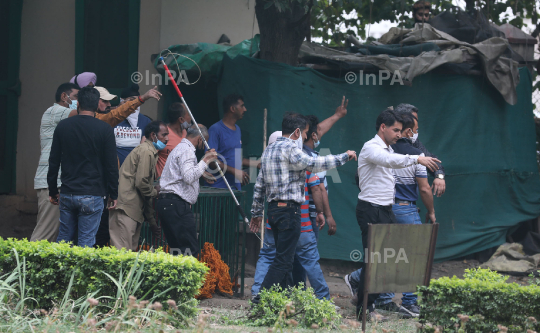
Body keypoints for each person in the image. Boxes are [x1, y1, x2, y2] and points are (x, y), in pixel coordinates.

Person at [343, 109, 440, 321]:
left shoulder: (388, 148)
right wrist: (417, 159)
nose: (399, 134)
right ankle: (365, 311)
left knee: (389, 260)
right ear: (383, 127)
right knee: (375, 261)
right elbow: (390, 161)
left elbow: (393, 159)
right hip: (371, 209)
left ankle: (363, 293)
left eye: (400, 130)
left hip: (385, 210)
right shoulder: (371, 147)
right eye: (396, 130)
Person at [249, 113, 357, 303]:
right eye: (305, 133)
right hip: (289, 211)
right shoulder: (291, 149)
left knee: (281, 258)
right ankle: (261, 299)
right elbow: (315, 164)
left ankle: (280, 300)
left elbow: (259, 185)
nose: (306, 137)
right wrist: (344, 157)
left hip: (273, 211)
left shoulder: (269, 150)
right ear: (297, 132)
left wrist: (257, 213)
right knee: (283, 261)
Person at [251, 131, 332, 303]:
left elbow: (259, 189)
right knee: (309, 260)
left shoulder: (269, 163)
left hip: (273, 222)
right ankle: (323, 298)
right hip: (299, 222)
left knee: (268, 256)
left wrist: (256, 214)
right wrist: (320, 212)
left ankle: (258, 291)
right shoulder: (301, 162)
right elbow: (317, 188)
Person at [47, 86, 119, 247]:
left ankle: (59, 271)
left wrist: (52, 190)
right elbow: (111, 165)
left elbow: (53, 161)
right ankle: (79, 273)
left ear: (78, 104)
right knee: (86, 242)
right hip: (92, 193)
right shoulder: (105, 129)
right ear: (96, 106)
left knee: (64, 239)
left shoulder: (63, 126)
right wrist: (113, 193)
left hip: (67, 191)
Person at [157, 124, 218, 257]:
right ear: (200, 139)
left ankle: (177, 277)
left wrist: (202, 173)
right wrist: (206, 160)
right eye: (205, 141)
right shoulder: (187, 150)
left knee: (177, 251)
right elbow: (189, 177)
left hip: (168, 204)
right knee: (190, 250)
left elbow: (181, 173)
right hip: (177, 205)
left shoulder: (179, 148)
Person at [31, 83, 80, 242]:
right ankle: (25, 266)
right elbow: (82, 114)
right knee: (45, 233)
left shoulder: (61, 114)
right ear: (64, 97)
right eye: (76, 97)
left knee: (56, 235)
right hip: (52, 181)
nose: (78, 101)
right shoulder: (55, 111)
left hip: (57, 180)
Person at [109, 121, 167, 251]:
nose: (167, 138)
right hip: (126, 207)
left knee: (127, 255)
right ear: (153, 135)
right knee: (122, 255)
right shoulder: (146, 151)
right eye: (164, 135)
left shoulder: (149, 151)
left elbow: (143, 188)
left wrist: (151, 220)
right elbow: (142, 184)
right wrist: (155, 192)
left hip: (132, 209)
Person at [205, 94, 259, 190]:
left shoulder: (237, 129)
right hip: (219, 189)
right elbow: (210, 160)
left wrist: (257, 163)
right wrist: (234, 171)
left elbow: (237, 158)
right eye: (242, 106)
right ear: (232, 109)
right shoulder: (215, 129)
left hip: (235, 189)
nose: (245, 109)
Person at [395, 103, 446, 197]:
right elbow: (424, 189)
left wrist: (439, 175)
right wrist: (431, 212)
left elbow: (430, 159)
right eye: (410, 119)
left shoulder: (414, 142)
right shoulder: (382, 143)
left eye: (415, 120)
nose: (414, 123)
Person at [68, 85, 161, 127]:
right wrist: (142, 98)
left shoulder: (66, 124)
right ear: (94, 101)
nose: (109, 104)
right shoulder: (96, 120)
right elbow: (113, 116)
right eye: (105, 101)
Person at [113, 84, 153, 166]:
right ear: (122, 101)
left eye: (137, 101)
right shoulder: (113, 119)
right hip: (114, 168)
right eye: (132, 100)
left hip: (135, 168)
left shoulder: (145, 121)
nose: (135, 104)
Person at [155, 102, 192, 178]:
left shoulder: (185, 134)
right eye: (189, 114)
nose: (191, 117)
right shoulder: (163, 134)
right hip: (164, 184)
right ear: (181, 119)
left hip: (181, 184)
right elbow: (148, 157)